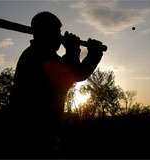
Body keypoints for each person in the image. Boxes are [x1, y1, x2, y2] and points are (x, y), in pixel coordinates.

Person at [9, 11, 103, 157]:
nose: (60, 36)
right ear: (46, 33)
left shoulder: (40, 54)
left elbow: (73, 73)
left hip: (40, 139)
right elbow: (72, 75)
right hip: (34, 141)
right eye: (57, 31)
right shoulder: (36, 56)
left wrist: (92, 54)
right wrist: (74, 52)